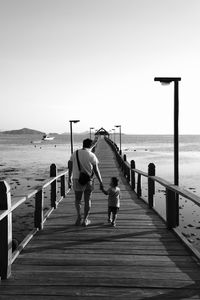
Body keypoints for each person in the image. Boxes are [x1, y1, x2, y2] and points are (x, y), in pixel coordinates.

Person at [68, 138, 103, 226]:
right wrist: (101, 182)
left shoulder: (75, 153)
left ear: (83, 144)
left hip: (76, 179)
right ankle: (85, 220)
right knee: (87, 200)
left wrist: (69, 177)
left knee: (78, 200)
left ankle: (79, 217)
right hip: (89, 180)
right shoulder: (91, 155)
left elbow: (70, 165)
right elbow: (96, 170)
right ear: (91, 146)